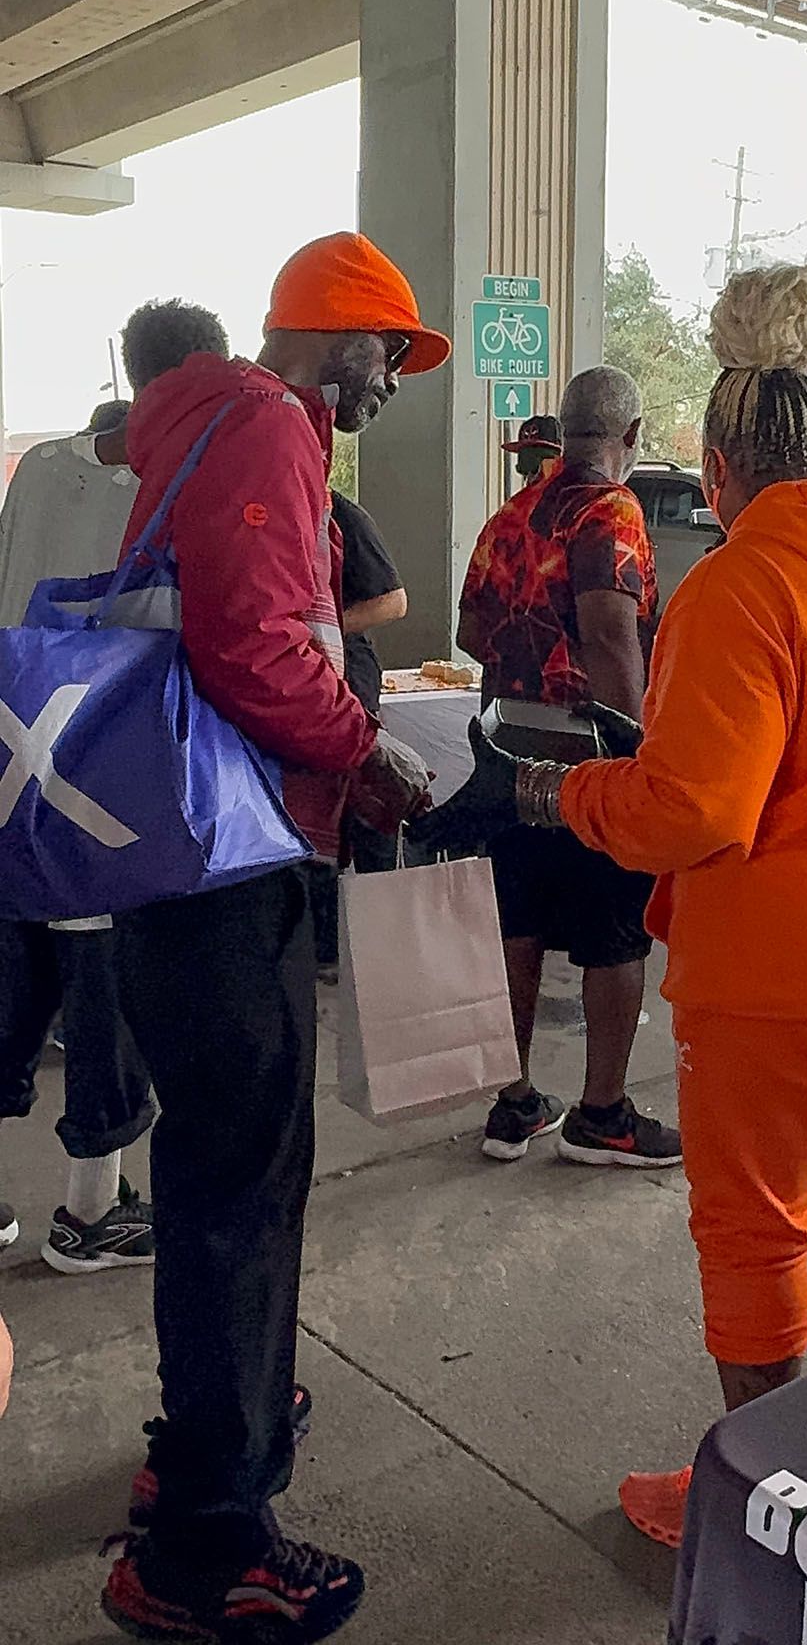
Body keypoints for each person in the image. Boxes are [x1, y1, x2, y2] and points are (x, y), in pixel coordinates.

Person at [419, 263, 807, 1549]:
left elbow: (699, 811)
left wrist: (568, 798)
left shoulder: (737, 584)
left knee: (754, 1220)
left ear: (719, 464)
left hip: (782, 956)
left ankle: (759, 1513)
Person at [99, 233, 444, 1643]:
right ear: (332, 335)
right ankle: (202, 1551)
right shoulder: (265, 423)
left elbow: (241, 625)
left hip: (191, 863)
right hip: (232, 869)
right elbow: (252, 641)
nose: (389, 388)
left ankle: (214, 1430)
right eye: (387, 358)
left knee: (218, 1175)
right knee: (243, 1189)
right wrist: (366, 748)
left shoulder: (210, 421)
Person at [0, 302, 229, 1272]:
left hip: (14, 759)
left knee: (12, 987)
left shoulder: (43, 468)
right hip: (110, 777)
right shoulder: (179, 478)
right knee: (104, 999)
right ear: (197, 378)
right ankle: (92, 1214)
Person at [457, 366, 680, 1168]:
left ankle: (514, 1104)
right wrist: (643, 743)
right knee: (615, 931)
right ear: (631, 435)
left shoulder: (513, 513)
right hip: (592, 753)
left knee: (517, 925)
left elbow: (468, 630)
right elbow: (613, 632)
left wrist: (525, 669)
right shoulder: (611, 510)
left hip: (511, 748)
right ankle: (603, 1115)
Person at [310, 488, 408, 973]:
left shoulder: (342, 513)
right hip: (298, 678)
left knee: (362, 804)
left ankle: (381, 937)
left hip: (347, 673)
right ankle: (324, 942)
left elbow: (393, 602)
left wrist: (319, 628)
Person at [501, 412, 562, 487]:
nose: (530, 478)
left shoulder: (571, 494)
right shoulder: (525, 497)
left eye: (535, 469)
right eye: (525, 470)